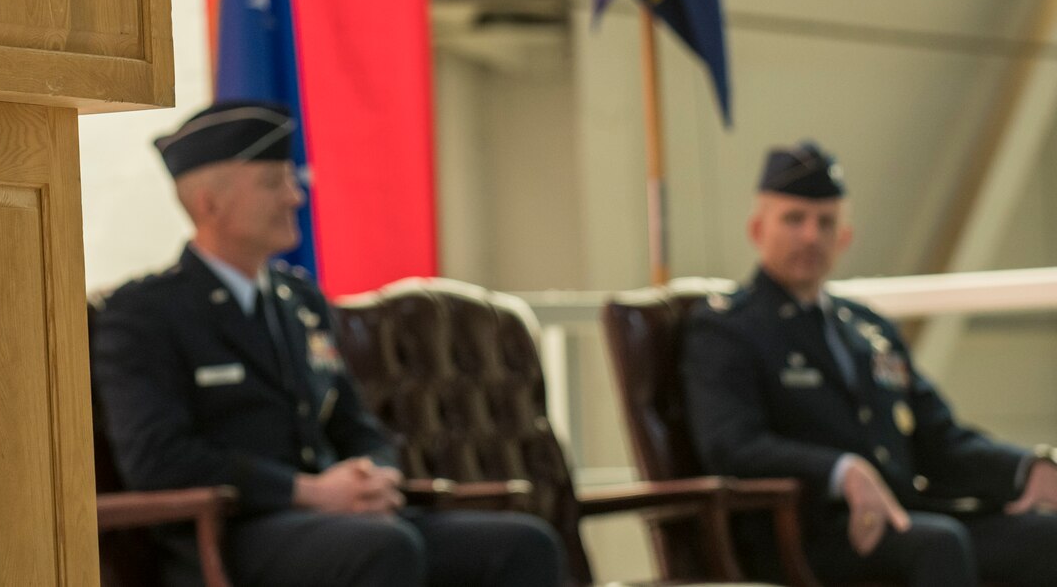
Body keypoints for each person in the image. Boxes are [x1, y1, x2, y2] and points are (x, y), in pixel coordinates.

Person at [92, 99, 565, 587]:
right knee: (382, 549)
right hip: (235, 532)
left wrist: (372, 476)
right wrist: (307, 492)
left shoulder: (298, 299)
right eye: (273, 183)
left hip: (336, 518)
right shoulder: (146, 313)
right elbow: (159, 458)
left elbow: (354, 424)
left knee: (522, 544)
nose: (295, 197)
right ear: (210, 203)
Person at [682, 140, 1057, 587]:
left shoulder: (867, 328)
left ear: (844, 238)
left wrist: (1025, 468)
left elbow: (938, 437)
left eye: (825, 222)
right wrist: (841, 471)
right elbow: (731, 444)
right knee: (939, 543)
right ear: (757, 230)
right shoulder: (728, 328)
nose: (810, 235)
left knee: (1044, 536)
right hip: (808, 531)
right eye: (793, 219)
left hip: (903, 516)